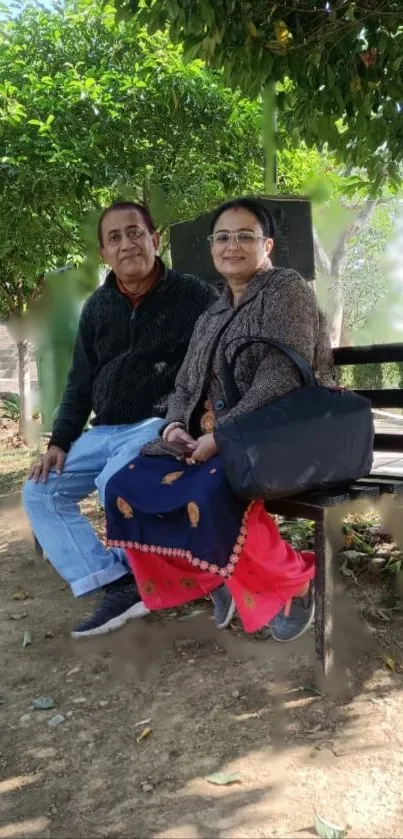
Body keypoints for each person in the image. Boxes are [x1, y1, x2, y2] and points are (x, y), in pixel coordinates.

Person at [103, 197, 335, 641]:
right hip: (210, 436)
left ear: (267, 245)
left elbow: (280, 377)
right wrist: (173, 426)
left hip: (281, 432)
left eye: (245, 236)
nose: (232, 246)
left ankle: (294, 584)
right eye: (222, 237)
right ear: (212, 247)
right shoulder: (212, 312)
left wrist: (224, 436)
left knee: (212, 486)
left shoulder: (286, 290)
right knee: (125, 485)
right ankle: (211, 575)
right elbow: (186, 385)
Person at [23, 200, 220, 639]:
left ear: (155, 239)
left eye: (135, 232)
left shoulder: (195, 295)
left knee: (118, 480)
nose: (127, 243)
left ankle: (136, 577)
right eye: (114, 238)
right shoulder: (97, 308)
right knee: (40, 491)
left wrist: (198, 422)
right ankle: (117, 580)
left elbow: (217, 362)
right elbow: (79, 382)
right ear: (103, 254)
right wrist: (59, 442)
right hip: (103, 430)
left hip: (158, 425)